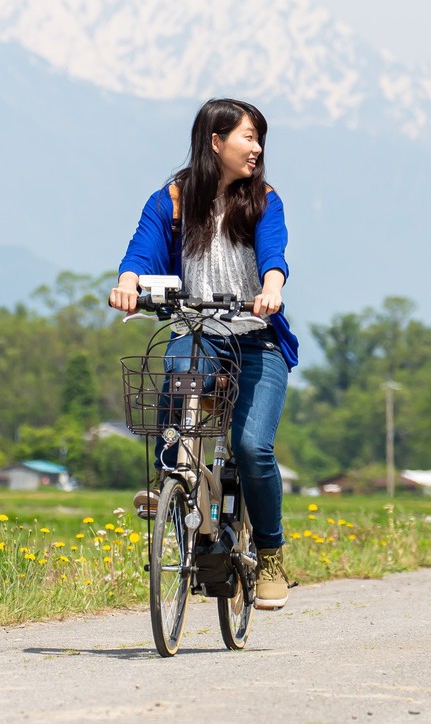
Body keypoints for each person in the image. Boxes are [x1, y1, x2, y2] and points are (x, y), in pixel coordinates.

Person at [109, 97, 299, 611]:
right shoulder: (170, 200)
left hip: (258, 337)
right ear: (216, 141)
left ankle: (271, 553)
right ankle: (174, 477)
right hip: (199, 331)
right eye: (248, 137)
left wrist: (272, 286)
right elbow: (141, 252)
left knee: (253, 447)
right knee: (176, 372)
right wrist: (127, 283)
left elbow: (274, 252)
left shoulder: (264, 200)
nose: (257, 148)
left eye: (260, 139)